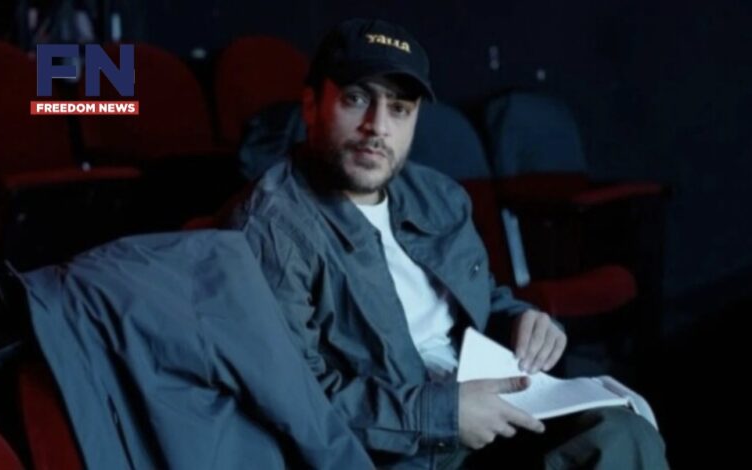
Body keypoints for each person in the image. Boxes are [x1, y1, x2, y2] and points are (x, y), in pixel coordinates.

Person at [224, 18, 668, 469]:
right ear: (311, 105)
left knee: (623, 434)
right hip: (399, 445)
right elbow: (294, 401)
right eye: (356, 99)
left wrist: (520, 320)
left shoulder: (437, 196)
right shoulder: (272, 227)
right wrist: (443, 416)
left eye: (400, 108)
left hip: (484, 406)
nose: (378, 127)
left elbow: (480, 298)